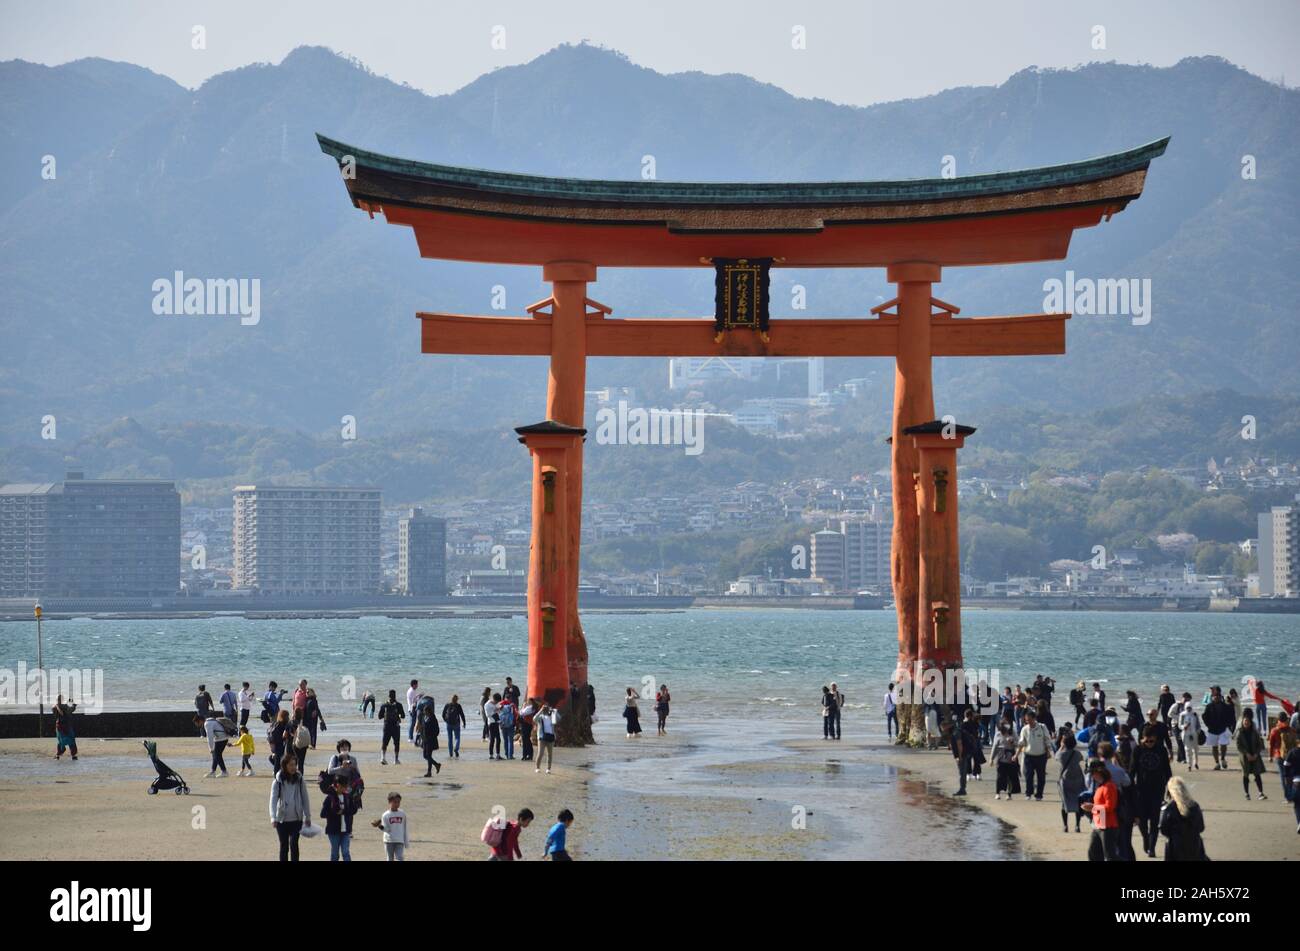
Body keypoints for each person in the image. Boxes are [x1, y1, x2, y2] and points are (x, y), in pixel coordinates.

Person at [1132, 724, 1173, 857]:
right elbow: (1132, 770)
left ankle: (1152, 848)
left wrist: (1170, 788)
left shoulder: (1161, 750)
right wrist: (1129, 787)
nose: (1149, 744)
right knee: (1142, 821)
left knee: (1155, 821)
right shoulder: (1138, 750)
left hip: (1157, 789)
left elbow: (1167, 770)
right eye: (1147, 741)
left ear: (1156, 739)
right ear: (1142, 739)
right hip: (1141, 790)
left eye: (1152, 741)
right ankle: (1146, 837)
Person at [269, 752, 311, 862]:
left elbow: (305, 798)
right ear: (285, 765)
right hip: (281, 820)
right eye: (290, 765)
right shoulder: (277, 782)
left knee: (294, 845)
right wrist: (273, 817)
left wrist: (307, 816)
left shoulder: (300, 780)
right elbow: (273, 801)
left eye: (294, 765)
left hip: (296, 819)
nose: (293, 767)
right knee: (284, 846)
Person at [1158, 775, 1207, 861]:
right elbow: (1201, 827)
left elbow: (1163, 829)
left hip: (1175, 847)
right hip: (1193, 844)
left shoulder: (1169, 808)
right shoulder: (1194, 806)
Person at [1082, 762, 1120, 861]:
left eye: (1093, 774)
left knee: (1110, 855)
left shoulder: (1109, 786)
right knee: (1093, 852)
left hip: (1108, 826)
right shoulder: (1101, 786)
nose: (1092, 776)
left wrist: (1092, 807)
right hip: (1099, 824)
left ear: (1099, 774)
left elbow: (1110, 807)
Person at [1017, 709, 1053, 801]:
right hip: (1028, 755)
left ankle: (1039, 795)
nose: (1027, 721)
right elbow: (1021, 743)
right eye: (1026, 720)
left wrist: (1049, 752)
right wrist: (1016, 755)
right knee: (1029, 775)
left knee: (1041, 776)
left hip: (1041, 755)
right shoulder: (1024, 729)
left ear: (1034, 719)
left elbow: (1047, 740)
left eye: (1029, 719)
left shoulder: (1042, 727)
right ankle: (1028, 793)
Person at [320, 774, 357, 862]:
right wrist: (335, 813)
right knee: (335, 854)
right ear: (337, 785)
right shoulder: (329, 798)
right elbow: (322, 814)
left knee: (345, 852)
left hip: (346, 830)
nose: (345, 788)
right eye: (343, 786)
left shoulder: (348, 797)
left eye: (345, 786)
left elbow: (354, 810)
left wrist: (344, 812)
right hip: (333, 831)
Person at [1057, 731, 1085, 832]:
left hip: (1066, 780)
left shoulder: (1062, 754)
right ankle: (1077, 826)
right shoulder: (1077, 753)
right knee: (1078, 802)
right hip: (1077, 778)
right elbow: (1081, 758)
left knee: (1065, 803)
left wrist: (1061, 746)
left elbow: (1056, 756)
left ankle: (1065, 826)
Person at [1236, 714, 1268, 801]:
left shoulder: (1255, 732)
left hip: (1255, 756)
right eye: (1245, 721)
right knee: (1245, 775)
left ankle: (1261, 793)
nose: (1246, 722)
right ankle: (1247, 794)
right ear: (1242, 722)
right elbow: (1238, 746)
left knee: (1257, 774)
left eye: (1248, 721)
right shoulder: (1239, 732)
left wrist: (1256, 754)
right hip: (1245, 757)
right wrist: (1247, 754)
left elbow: (1260, 744)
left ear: (1250, 722)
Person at [1268, 708, 1298, 798]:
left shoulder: (1275, 730)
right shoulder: (1291, 730)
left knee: (1283, 776)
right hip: (1291, 755)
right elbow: (1296, 742)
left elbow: (1271, 744)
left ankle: (1287, 796)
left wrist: (1270, 756)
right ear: (1287, 719)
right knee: (1292, 775)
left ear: (1278, 720)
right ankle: (1294, 793)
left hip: (1279, 756)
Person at [1202, 686, 1233, 770]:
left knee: (1223, 745)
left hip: (1223, 729)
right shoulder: (1209, 706)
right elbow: (1204, 716)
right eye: (1215, 696)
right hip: (1212, 729)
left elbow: (1230, 716)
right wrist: (1208, 725)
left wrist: (1229, 725)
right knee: (1214, 747)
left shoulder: (1225, 706)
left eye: (1218, 696)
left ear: (1220, 697)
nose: (1216, 698)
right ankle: (1217, 763)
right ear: (1212, 697)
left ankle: (1223, 759)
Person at [372, 791, 409, 861]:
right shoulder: (385, 815)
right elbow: (386, 829)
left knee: (400, 858)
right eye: (395, 802)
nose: (397, 804)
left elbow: (405, 828)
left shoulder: (402, 814)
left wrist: (406, 842)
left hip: (399, 840)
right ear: (389, 802)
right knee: (390, 858)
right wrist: (379, 826)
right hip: (389, 841)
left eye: (398, 802)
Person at [991, 721, 1021, 800]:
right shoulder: (998, 734)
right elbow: (995, 746)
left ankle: (1009, 794)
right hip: (1001, 757)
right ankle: (997, 793)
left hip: (1011, 757)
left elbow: (1019, 744)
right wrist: (991, 758)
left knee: (1010, 777)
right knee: (999, 776)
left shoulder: (1013, 733)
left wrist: (1012, 742)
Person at [378, 689, 404, 765]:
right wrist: (398, 715)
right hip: (395, 726)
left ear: (388, 696)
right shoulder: (398, 705)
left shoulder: (384, 705)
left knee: (385, 742)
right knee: (396, 743)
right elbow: (403, 716)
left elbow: (379, 716)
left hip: (386, 726)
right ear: (395, 696)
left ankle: (383, 758)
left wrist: (385, 715)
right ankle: (396, 760)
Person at [419, 697, 442, 776]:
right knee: (425, 756)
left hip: (431, 740)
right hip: (424, 739)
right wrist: (420, 736)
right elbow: (422, 727)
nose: (424, 713)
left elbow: (437, 729)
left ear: (429, 711)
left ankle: (429, 772)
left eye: (425, 711)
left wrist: (433, 736)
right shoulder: (424, 717)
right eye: (424, 711)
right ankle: (436, 765)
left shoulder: (433, 718)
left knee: (428, 755)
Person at [1178, 695, 1202, 772]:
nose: (1189, 709)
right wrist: (1183, 727)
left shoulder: (1195, 714)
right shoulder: (1182, 715)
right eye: (1187, 707)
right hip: (1186, 734)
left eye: (1190, 707)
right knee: (1187, 750)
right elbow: (1179, 725)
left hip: (1194, 734)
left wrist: (1198, 732)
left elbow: (1198, 725)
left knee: (1195, 749)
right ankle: (1189, 765)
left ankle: (1196, 763)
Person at [204, 713, 232, 778]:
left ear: (199, 721)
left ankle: (224, 772)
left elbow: (209, 736)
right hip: (224, 739)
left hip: (220, 739)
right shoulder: (214, 721)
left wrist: (211, 748)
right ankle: (213, 771)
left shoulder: (207, 723)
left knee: (217, 755)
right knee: (216, 755)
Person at [535, 703, 559, 773]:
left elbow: (559, 718)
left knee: (550, 754)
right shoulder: (540, 717)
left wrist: (554, 711)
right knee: (540, 753)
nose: (546, 710)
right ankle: (537, 768)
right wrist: (540, 710)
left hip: (551, 736)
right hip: (542, 737)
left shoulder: (552, 717)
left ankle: (548, 769)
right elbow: (534, 719)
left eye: (547, 708)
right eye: (545, 709)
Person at [442, 694, 466, 759]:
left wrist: (446, 721)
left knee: (450, 739)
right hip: (456, 724)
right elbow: (462, 715)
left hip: (448, 724)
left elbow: (443, 714)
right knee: (457, 738)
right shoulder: (458, 706)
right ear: (457, 699)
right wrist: (464, 723)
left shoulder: (447, 705)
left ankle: (450, 753)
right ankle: (456, 748)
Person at [1284, 742, 1300, 834]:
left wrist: (1287, 776)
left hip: (1296, 782)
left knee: (1297, 805)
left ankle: (1299, 823)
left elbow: (1286, 764)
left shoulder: (1293, 752)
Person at [518, 697, 536, 764]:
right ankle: (528, 754)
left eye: (528, 701)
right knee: (527, 739)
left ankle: (525, 755)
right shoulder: (532, 707)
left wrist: (523, 706)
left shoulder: (530, 708)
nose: (527, 702)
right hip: (528, 724)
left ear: (530, 702)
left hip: (526, 724)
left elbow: (522, 713)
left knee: (525, 739)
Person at [499, 693, 517, 759]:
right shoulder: (512, 705)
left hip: (503, 724)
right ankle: (510, 755)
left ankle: (506, 754)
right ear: (510, 698)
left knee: (505, 740)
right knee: (510, 740)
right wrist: (515, 723)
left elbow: (497, 713)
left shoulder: (501, 704)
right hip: (510, 724)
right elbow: (515, 714)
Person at [485, 692, 502, 759]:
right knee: (492, 739)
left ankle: (498, 755)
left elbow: (497, 710)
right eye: (496, 702)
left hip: (496, 722)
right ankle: (491, 755)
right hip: (491, 723)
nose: (497, 703)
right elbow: (489, 715)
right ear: (494, 699)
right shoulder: (487, 705)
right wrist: (497, 710)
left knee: (498, 739)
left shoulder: (495, 703)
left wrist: (499, 708)